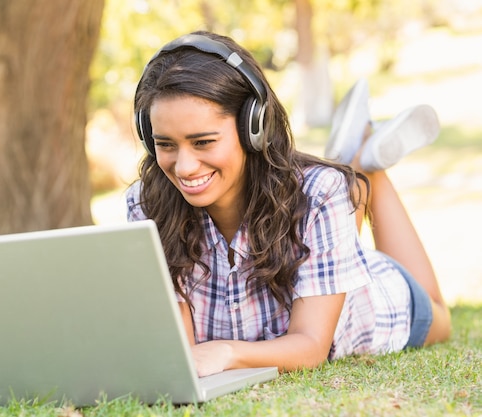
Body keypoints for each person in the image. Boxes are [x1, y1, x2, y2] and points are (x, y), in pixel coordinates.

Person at [126, 31, 451, 377]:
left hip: (377, 302)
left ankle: (369, 170)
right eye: (166, 144)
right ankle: (357, 165)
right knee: (328, 200)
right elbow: (181, 352)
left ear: (254, 126)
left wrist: (225, 352)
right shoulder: (148, 205)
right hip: (321, 274)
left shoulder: (318, 194)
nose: (185, 167)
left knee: (440, 317)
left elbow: (311, 346)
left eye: (203, 142)